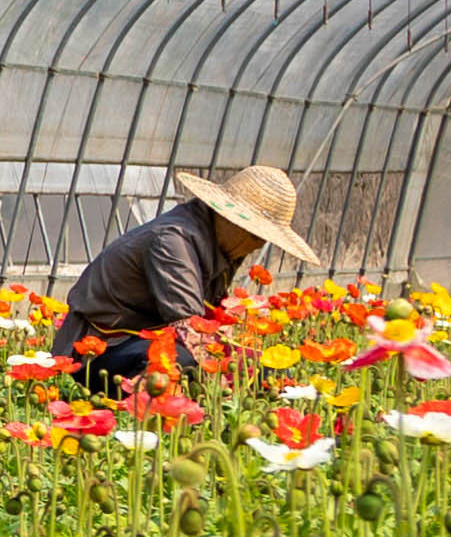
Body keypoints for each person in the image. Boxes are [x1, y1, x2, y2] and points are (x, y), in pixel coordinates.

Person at [49, 162, 321, 393]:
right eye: (255, 234)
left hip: (143, 342)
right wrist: (227, 388)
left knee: (257, 372)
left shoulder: (221, 243)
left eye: (264, 238)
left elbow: (209, 325)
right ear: (229, 218)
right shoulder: (172, 240)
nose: (258, 246)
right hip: (97, 352)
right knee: (184, 361)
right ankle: (141, 411)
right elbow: (193, 331)